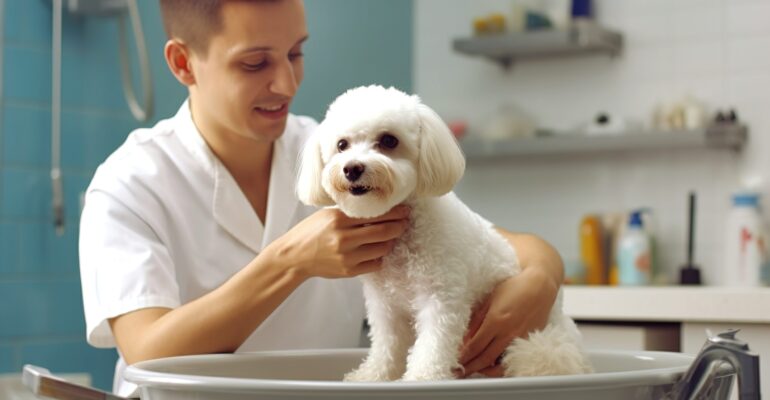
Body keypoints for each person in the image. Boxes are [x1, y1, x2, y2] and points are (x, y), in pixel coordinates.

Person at [78, 0, 565, 396]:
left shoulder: (333, 149)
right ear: (184, 63)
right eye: (255, 63)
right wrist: (290, 262)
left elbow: (494, 242)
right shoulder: (130, 183)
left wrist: (542, 276)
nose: (287, 84)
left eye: (295, 53)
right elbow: (146, 350)